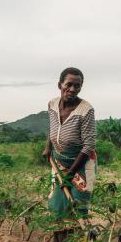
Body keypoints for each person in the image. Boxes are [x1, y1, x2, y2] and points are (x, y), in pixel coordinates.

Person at [43, 67, 97, 219]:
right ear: (60, 84)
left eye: (77, 86)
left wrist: (71, 174)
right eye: (69, 84)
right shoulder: (52, 104)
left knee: (78, 202)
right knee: (56, 202)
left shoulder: (86, 110)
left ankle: (80, 239)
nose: (72, 89)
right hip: (59, 162)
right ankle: (58, 237)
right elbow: (53, 127)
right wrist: (48, 147)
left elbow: (89, 146)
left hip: (81, 164)